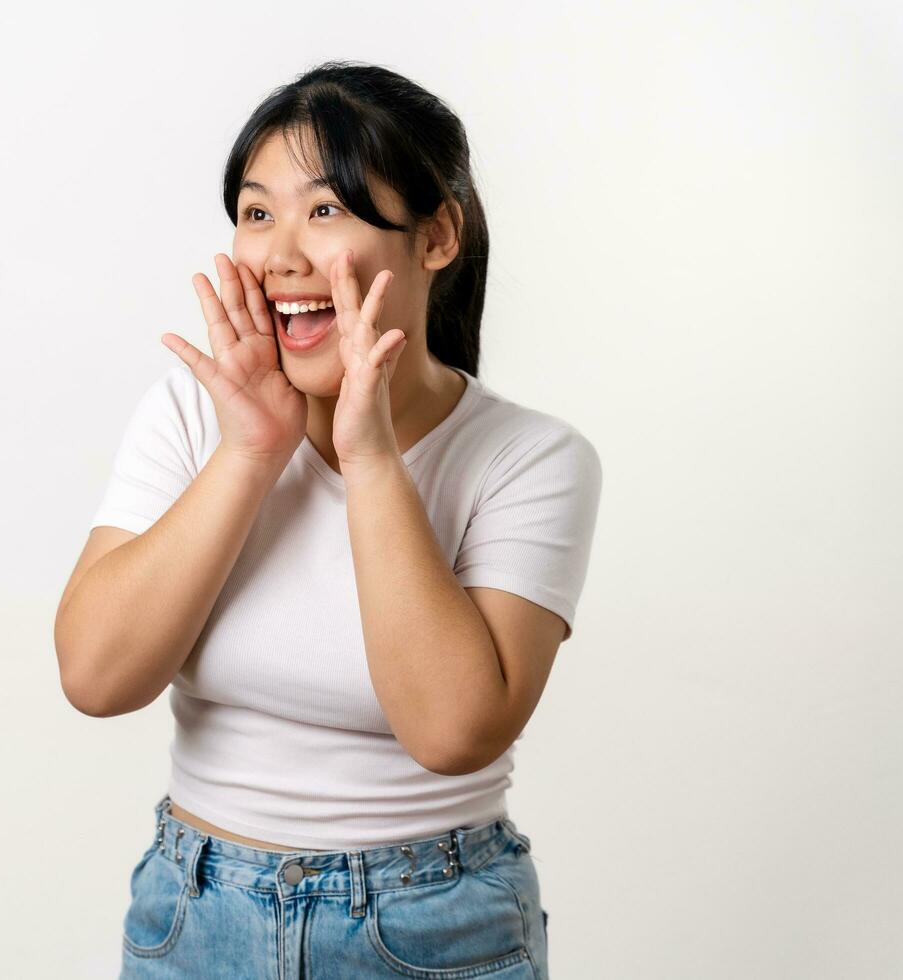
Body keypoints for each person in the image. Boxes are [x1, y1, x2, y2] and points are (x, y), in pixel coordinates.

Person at [54, 60, 601, 979]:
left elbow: (454, 730)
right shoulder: (194, 416)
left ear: (436, 236)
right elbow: (97, 676)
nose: (279, 256)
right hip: (195, 914)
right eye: (257, 212)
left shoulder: (531, 459)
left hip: (430, 926)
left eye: (325, 210)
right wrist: (250, 453)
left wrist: (373, 457)